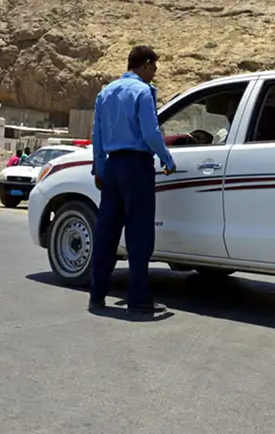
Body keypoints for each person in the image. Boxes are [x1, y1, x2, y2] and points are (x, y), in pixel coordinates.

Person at [88, 45, 176, 315]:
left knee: (106, 233)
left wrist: (100, 169)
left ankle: (97, 296)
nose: (155, 72)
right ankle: (138, 299)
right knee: (139, 234)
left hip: (113, 166)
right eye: (154, 66)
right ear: (146, 64)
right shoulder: (142, 92)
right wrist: (167, 158)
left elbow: (97, 135)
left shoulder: (106, 92)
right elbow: (150, 132)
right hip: (137, 166)